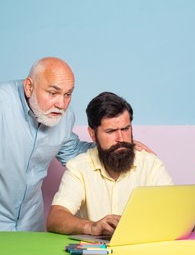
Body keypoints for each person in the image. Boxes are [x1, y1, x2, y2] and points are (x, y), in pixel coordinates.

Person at [0, 57, 152, 239]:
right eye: (53, 93)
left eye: (67, 94)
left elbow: (72, 152)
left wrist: (116, 145)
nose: (62, 104)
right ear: (29, 86)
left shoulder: (64, 116)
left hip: (31, 226)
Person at [47, 91, 174, 236]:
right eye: (111, 131)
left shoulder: (151, 165)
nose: (120, 138)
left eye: (125, 129)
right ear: (93, 134)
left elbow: (177, 215)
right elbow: (55, 218)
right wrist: (91, 227)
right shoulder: (79, 168)